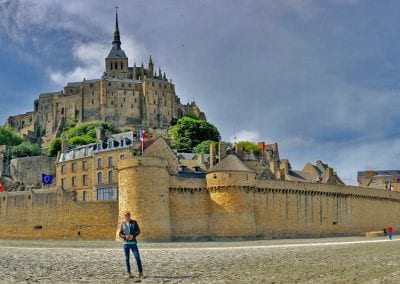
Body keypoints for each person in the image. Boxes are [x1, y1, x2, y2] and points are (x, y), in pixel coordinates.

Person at [119, 211, 144, 279]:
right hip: (126, 244)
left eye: (127, 216)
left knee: (137, 258)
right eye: (125, 216)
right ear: (124, 217)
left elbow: (138, 231)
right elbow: (120, 233)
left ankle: (140, 273)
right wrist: (125, 237)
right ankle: (129, 273)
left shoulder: (134, 222)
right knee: (127, 259)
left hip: (133, 243)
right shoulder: (123, 224)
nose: (126, 217)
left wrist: (133, 236)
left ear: (129, 216)